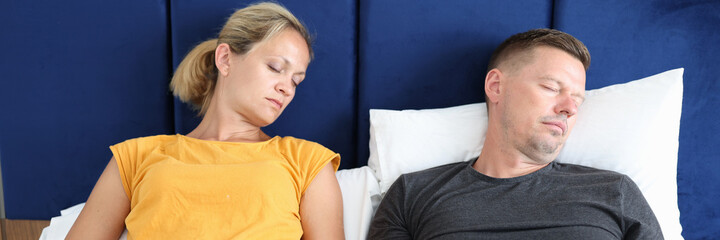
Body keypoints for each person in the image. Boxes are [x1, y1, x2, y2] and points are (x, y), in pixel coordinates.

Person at [67, 2, 344, 239]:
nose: (287, 88)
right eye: (275, 68)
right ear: (225, 59)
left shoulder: (308, 163)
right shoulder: (135, 157)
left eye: (296, 81)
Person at [368, 29, 663, 239]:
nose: (569, 108)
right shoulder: (412, 195)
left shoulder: (615, 192)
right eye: (551, 88)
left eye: (578, 99)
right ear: (496, 87)